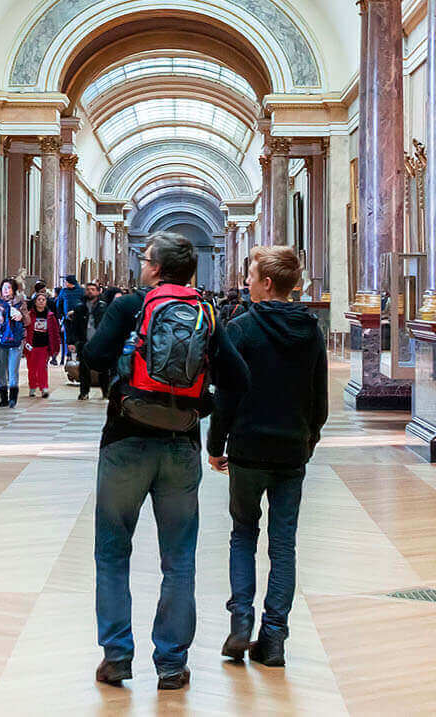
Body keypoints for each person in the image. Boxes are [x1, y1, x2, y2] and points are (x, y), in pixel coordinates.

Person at [82, 232, 247, 691]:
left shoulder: (130, 305)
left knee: (112, 553)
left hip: (125, 441)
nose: (142, 263)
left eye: (145, 258)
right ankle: (171, 664)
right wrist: (202, 405)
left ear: (156, 268)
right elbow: (239, 378)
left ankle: (117, 656)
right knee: (178, 559)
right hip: (180, 445)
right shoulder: (206, 311)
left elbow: (93, 356)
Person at [208, 245, 329, 668]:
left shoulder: (241, 329)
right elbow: (319, 399)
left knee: (243, 534)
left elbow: (226, 395)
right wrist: (308, 440)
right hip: (291, 451)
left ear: (267, 283)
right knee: (283, 545)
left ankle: (241, 623)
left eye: (251, 275)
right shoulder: (311, 331)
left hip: (248, 449)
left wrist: (215, 445)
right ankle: (274, 638)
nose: (246, 282)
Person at [0, 278, 27, 408]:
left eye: (9, 288)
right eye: (4, 288)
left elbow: (28, 321)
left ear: (13, 290)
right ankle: (3, 398)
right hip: (0, 341)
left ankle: (13, 398)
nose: (6, 290)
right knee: (1, 370)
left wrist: (21, 317)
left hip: (16, 341)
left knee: (13, 370)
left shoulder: (20, 304)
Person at [23, 288, 61, 398]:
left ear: (46, 302)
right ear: (35, 302)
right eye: (39, 299)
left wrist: (56, 346)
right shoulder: (30, 315)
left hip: (44, 346)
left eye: (43, 300)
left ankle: (44, 387)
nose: (41, 301)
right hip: (31, 346)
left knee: (42, 368)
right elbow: (25, 329)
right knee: (32, 368)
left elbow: (55, 332)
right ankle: (32, 386)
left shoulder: (50, 316)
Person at [54, 275, 87, 365]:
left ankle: (78, 357)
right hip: (68, 320)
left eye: (66, 282)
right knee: (69, 339)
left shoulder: (81, 291)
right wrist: (61, 315)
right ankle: (70, 357)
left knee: (78, 338)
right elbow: (59, 304)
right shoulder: (64, 291)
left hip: (80, 320)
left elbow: (85, 303)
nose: (65, 283)